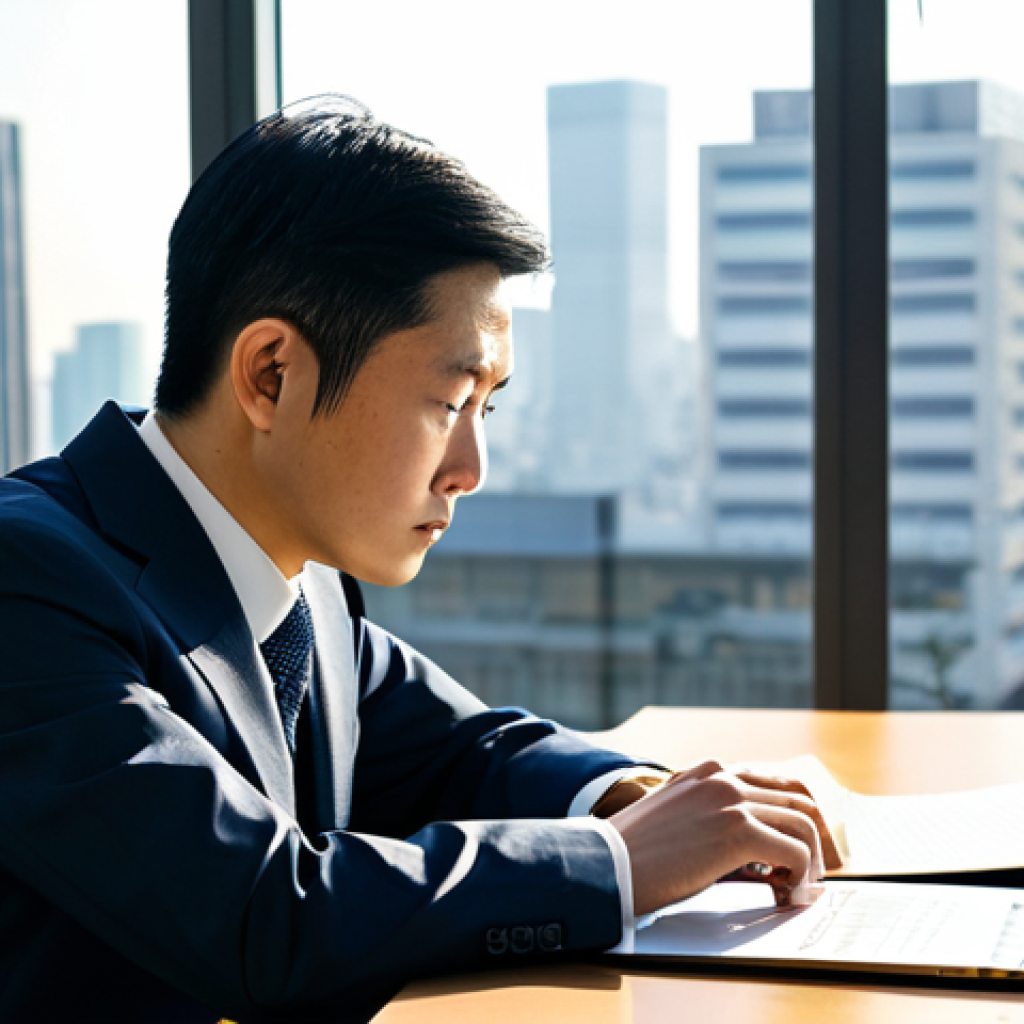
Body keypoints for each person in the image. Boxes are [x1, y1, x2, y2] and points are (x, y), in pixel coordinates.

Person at [0, 98, 838, 1024]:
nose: (472, 470)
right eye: (452, 401)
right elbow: (264, 914)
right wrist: (623, 864)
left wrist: (632, 799)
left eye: (492, 406)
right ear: (271, 373)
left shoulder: (302, 577)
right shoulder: (26, 580)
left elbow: (459, 751)